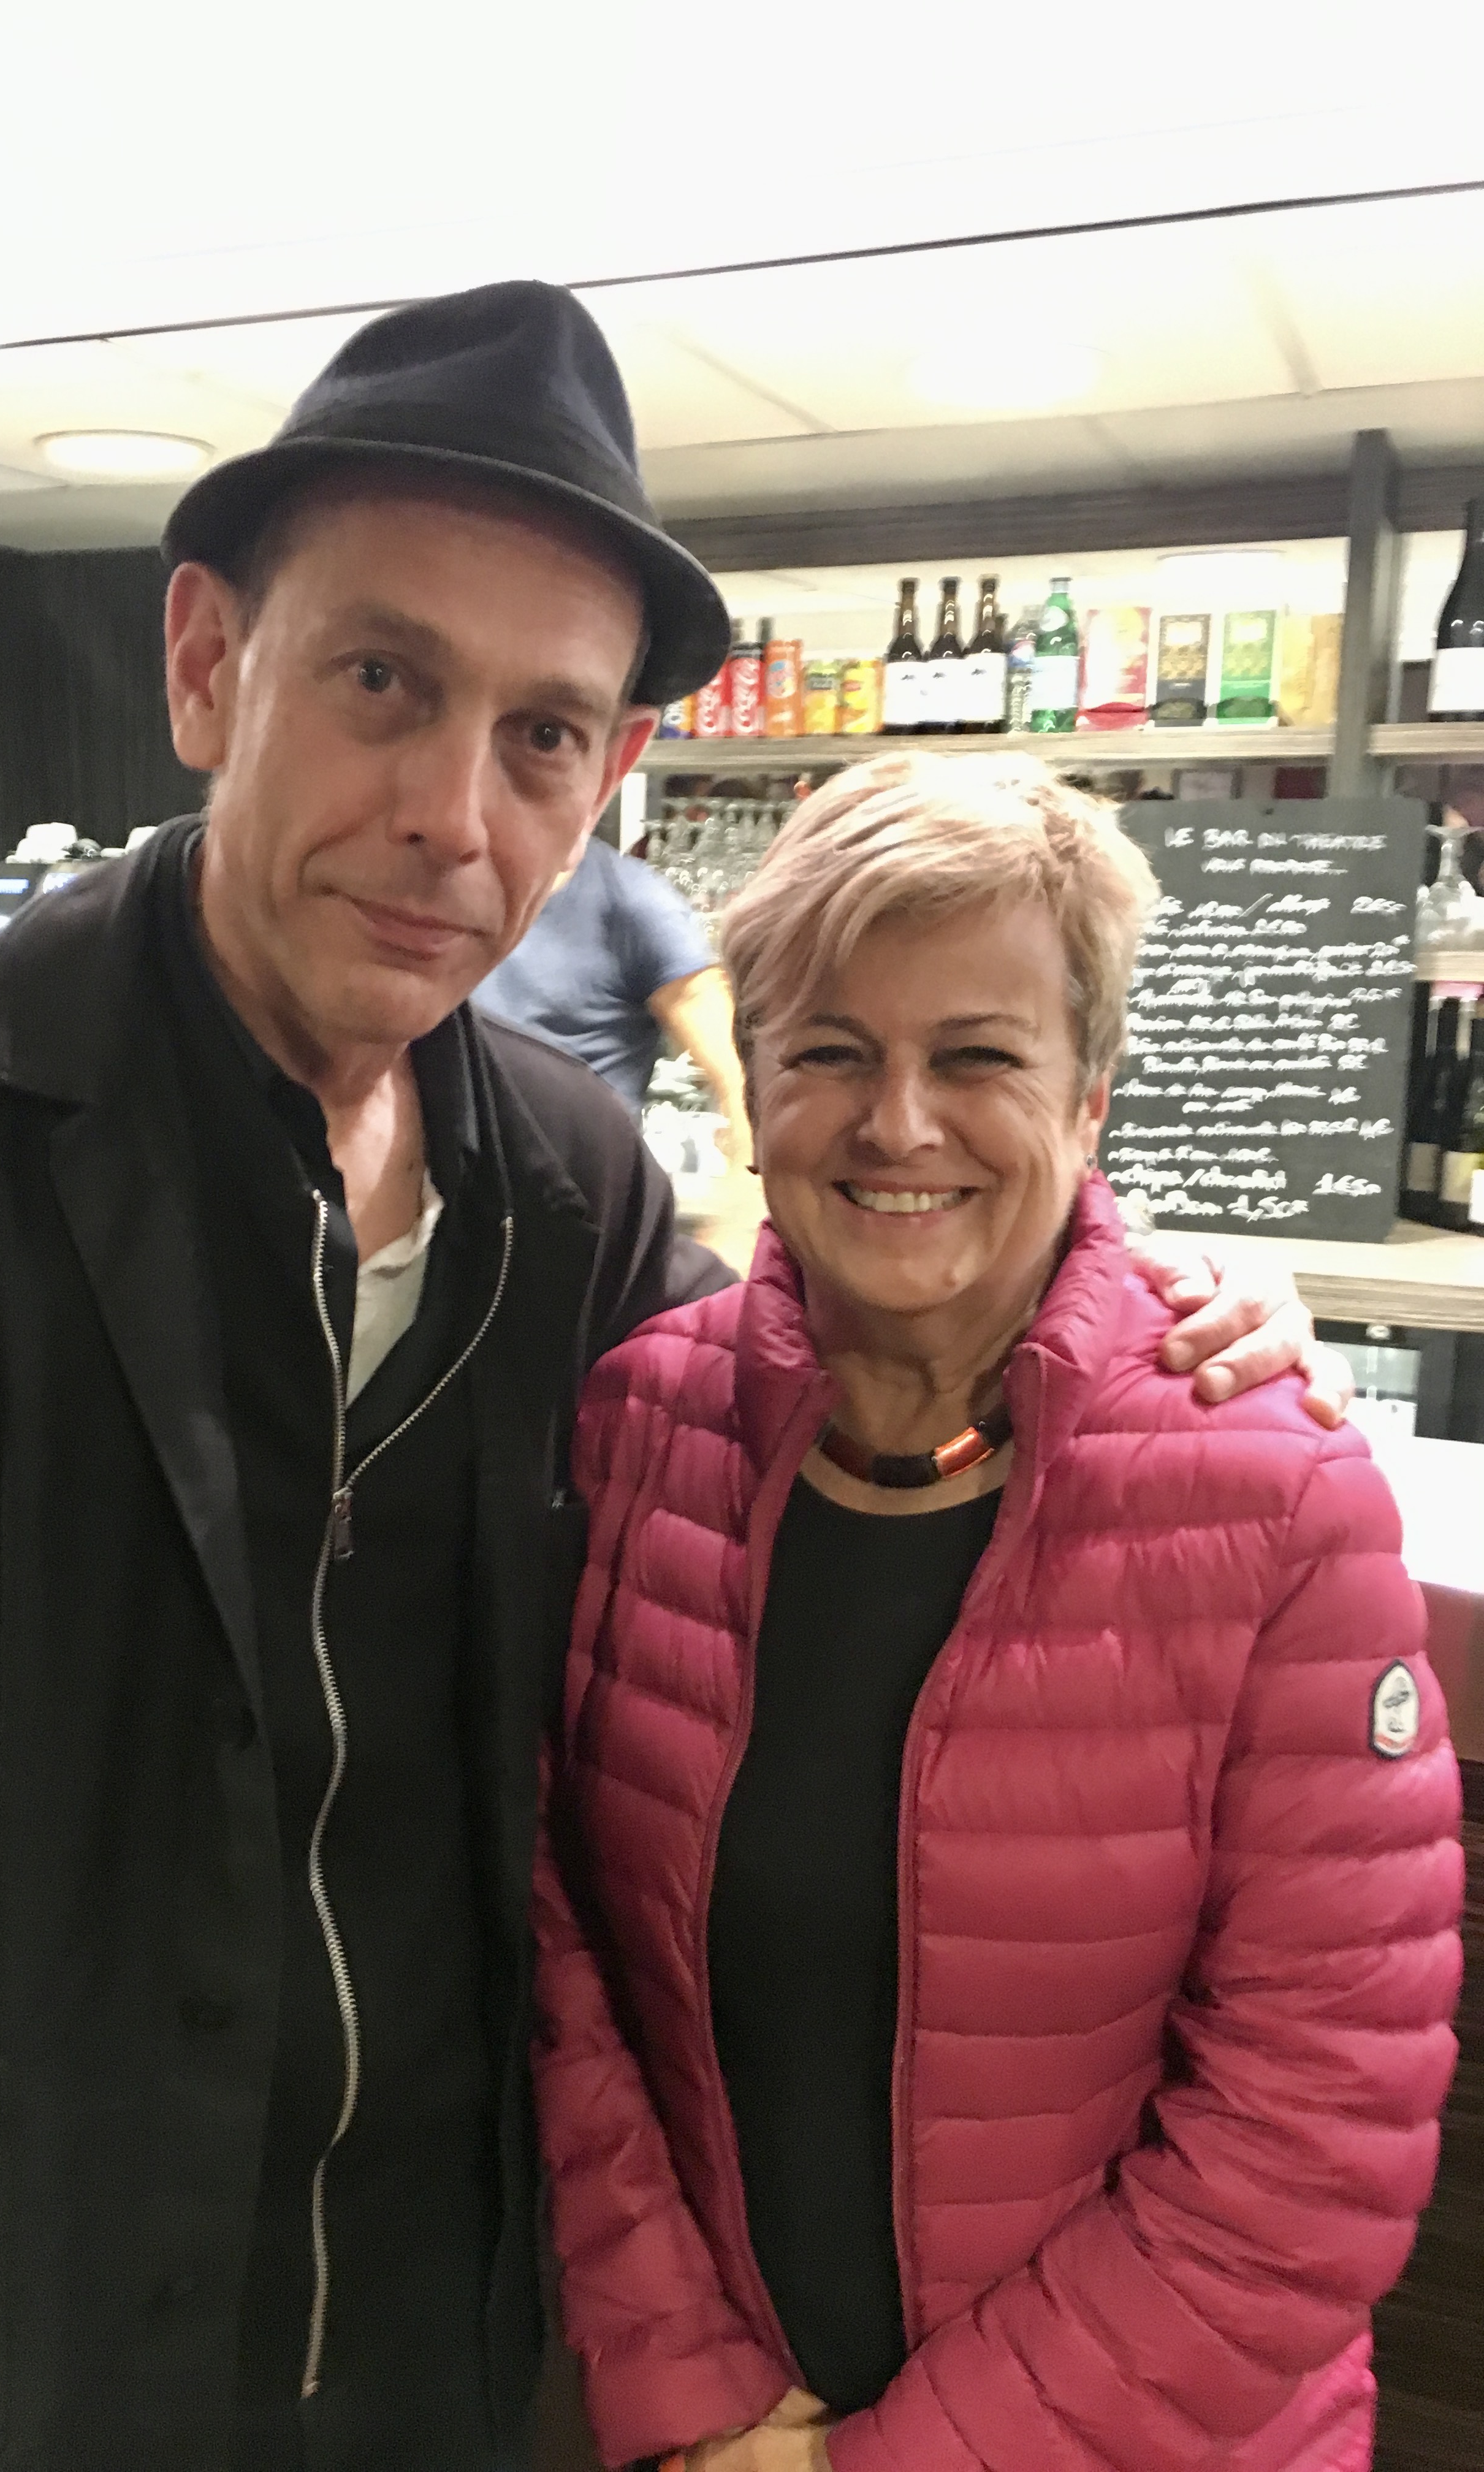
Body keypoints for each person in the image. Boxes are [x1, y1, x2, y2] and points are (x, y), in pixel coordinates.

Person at [0, 284, 1339, 2472]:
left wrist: (1133, 1304)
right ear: (203, 663)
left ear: (609, 781)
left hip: (432, 2367)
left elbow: (829, 1392)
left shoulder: (572, 1185)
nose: (453, 812)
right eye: (382, 681)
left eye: (541, 733)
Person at [531, 753, 1464, 2472]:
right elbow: (561, 1969)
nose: (900, 1124)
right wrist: (694, 2394)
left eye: (977, 1058)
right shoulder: (636, 1429)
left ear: (1089, 1100)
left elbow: (1314, 2135)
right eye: (831, 1053)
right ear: (752, 1084)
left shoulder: (1276, 1500)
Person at [473, 829, 752, 1159]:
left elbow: (735, 1073)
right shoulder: (454, 890)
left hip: (572, 1172)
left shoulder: (635, 901)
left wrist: (747, 1169)